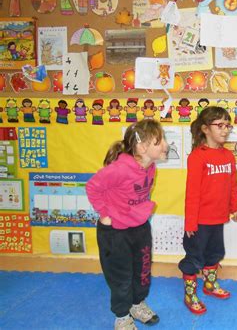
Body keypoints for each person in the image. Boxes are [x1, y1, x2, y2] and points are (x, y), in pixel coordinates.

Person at [86, 119, 168, 330]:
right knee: (120, 276)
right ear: (142, 147)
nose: (165, 145)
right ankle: (122, 316)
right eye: (159, 141)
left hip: (139, 227)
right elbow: (93, 187)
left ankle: (137, 304)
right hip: (115, 232)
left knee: (142, 270)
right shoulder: (120, 169)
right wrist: (104, 214)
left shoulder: (150, 168)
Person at [178, 106, 237, 315]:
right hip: (199, 221)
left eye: (227, 125)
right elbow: (192, 193)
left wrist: (235, 208)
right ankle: (190, 294)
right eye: (220, 125)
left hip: (218, 218)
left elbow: (233, 185)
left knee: (215, 253)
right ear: (206, 129)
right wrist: (190, 223)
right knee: (194, 258)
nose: (225, 130)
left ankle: (209, 285)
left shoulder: (228, 156)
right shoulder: (197, 157)